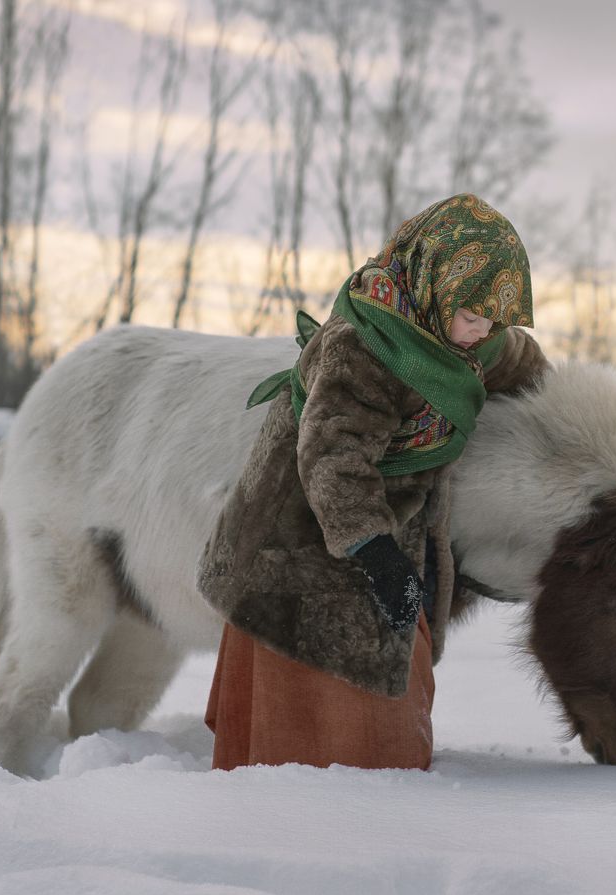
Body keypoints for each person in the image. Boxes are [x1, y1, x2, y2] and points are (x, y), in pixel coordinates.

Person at [198, 193, 549, 770]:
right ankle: (301, 792)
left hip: (392, 518)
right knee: (317, 656)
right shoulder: (366, 345)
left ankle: (371, 773)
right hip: (305, 518)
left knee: (386, 652)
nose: (479, 329)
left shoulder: (469, 333)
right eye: (471, 314)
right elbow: (332, 458)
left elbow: (519, 362)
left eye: (492, 316)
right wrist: (376, 552)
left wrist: (564, 420)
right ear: (436, 281)